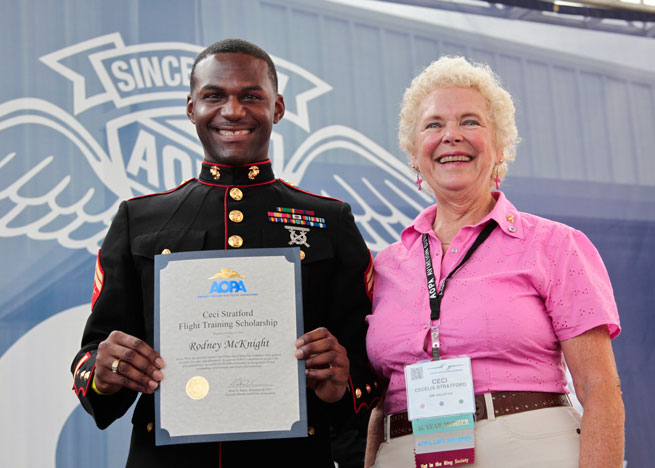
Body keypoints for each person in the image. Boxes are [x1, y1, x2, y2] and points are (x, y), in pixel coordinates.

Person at [71, 38, 378, 467]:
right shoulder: (137, 220)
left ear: (278, 108)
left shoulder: (329, 219)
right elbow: (91, 359)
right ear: (191, 108)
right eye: (214, 96)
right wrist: (106, 374)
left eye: (251, 96)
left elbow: (369, 363)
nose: (232, 111)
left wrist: (344, 381)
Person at [364, 56, 624, 468]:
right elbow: (378, 404)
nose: (451, 135)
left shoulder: (555, 245)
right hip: (403, 452)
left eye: (470, 122)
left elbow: (599, 387)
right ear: (414, 153)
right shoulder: (386, 267)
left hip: (530, 448)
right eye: (433, 125)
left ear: (500, 147)